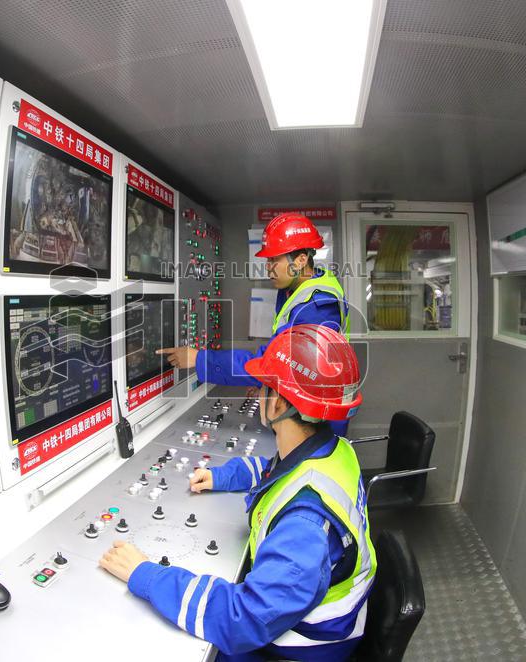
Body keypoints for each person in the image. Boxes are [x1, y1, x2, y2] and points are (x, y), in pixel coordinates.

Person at [101, 324, 375, 661]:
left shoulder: (304, 526)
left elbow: (240, 620)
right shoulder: (333, 450)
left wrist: (146, 574)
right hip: (309, 621)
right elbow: (277, 472)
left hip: (303, 648)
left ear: (278, 404)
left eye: (263, 386)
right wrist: (223, 476)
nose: (257, 393)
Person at [158, 213, 352, 435]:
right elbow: (283, 352)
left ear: (300, 260)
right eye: (267, 260)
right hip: (303, 405)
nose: (268, 268)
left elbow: (274, 364)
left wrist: (199, 359)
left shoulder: (316, 308)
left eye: (274, 260)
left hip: (318, 420)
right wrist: (266, 384)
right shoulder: (300, 287)